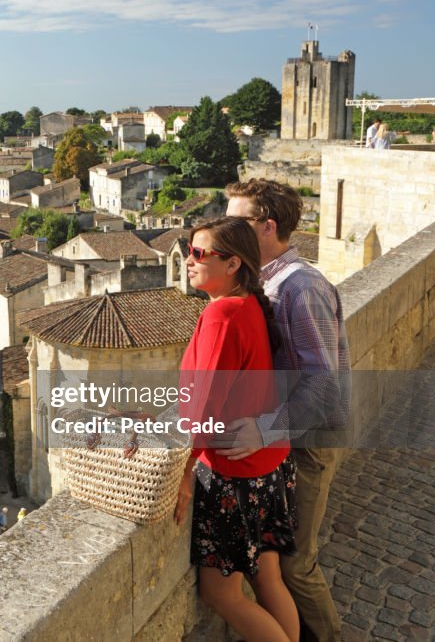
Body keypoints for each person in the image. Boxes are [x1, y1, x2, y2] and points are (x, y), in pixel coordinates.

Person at [223, 179, 350, 642]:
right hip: (282, 442)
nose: (224, 231)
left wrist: (265, 428)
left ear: (267, 226)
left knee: (297, 562)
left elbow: (322, 386)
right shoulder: (267, 282)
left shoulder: (302, 289)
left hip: (306, 443)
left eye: (235, 222)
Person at [173, 216, 299, 642]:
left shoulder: (222, 316)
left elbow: (203, 405)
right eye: (188, 250)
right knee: (268, 580)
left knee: (223, 595)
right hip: (270, 467)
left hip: (235, 477)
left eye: (198, 253)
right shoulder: (247, 304)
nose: (188, 260)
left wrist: (185, 471)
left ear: (232, 264)